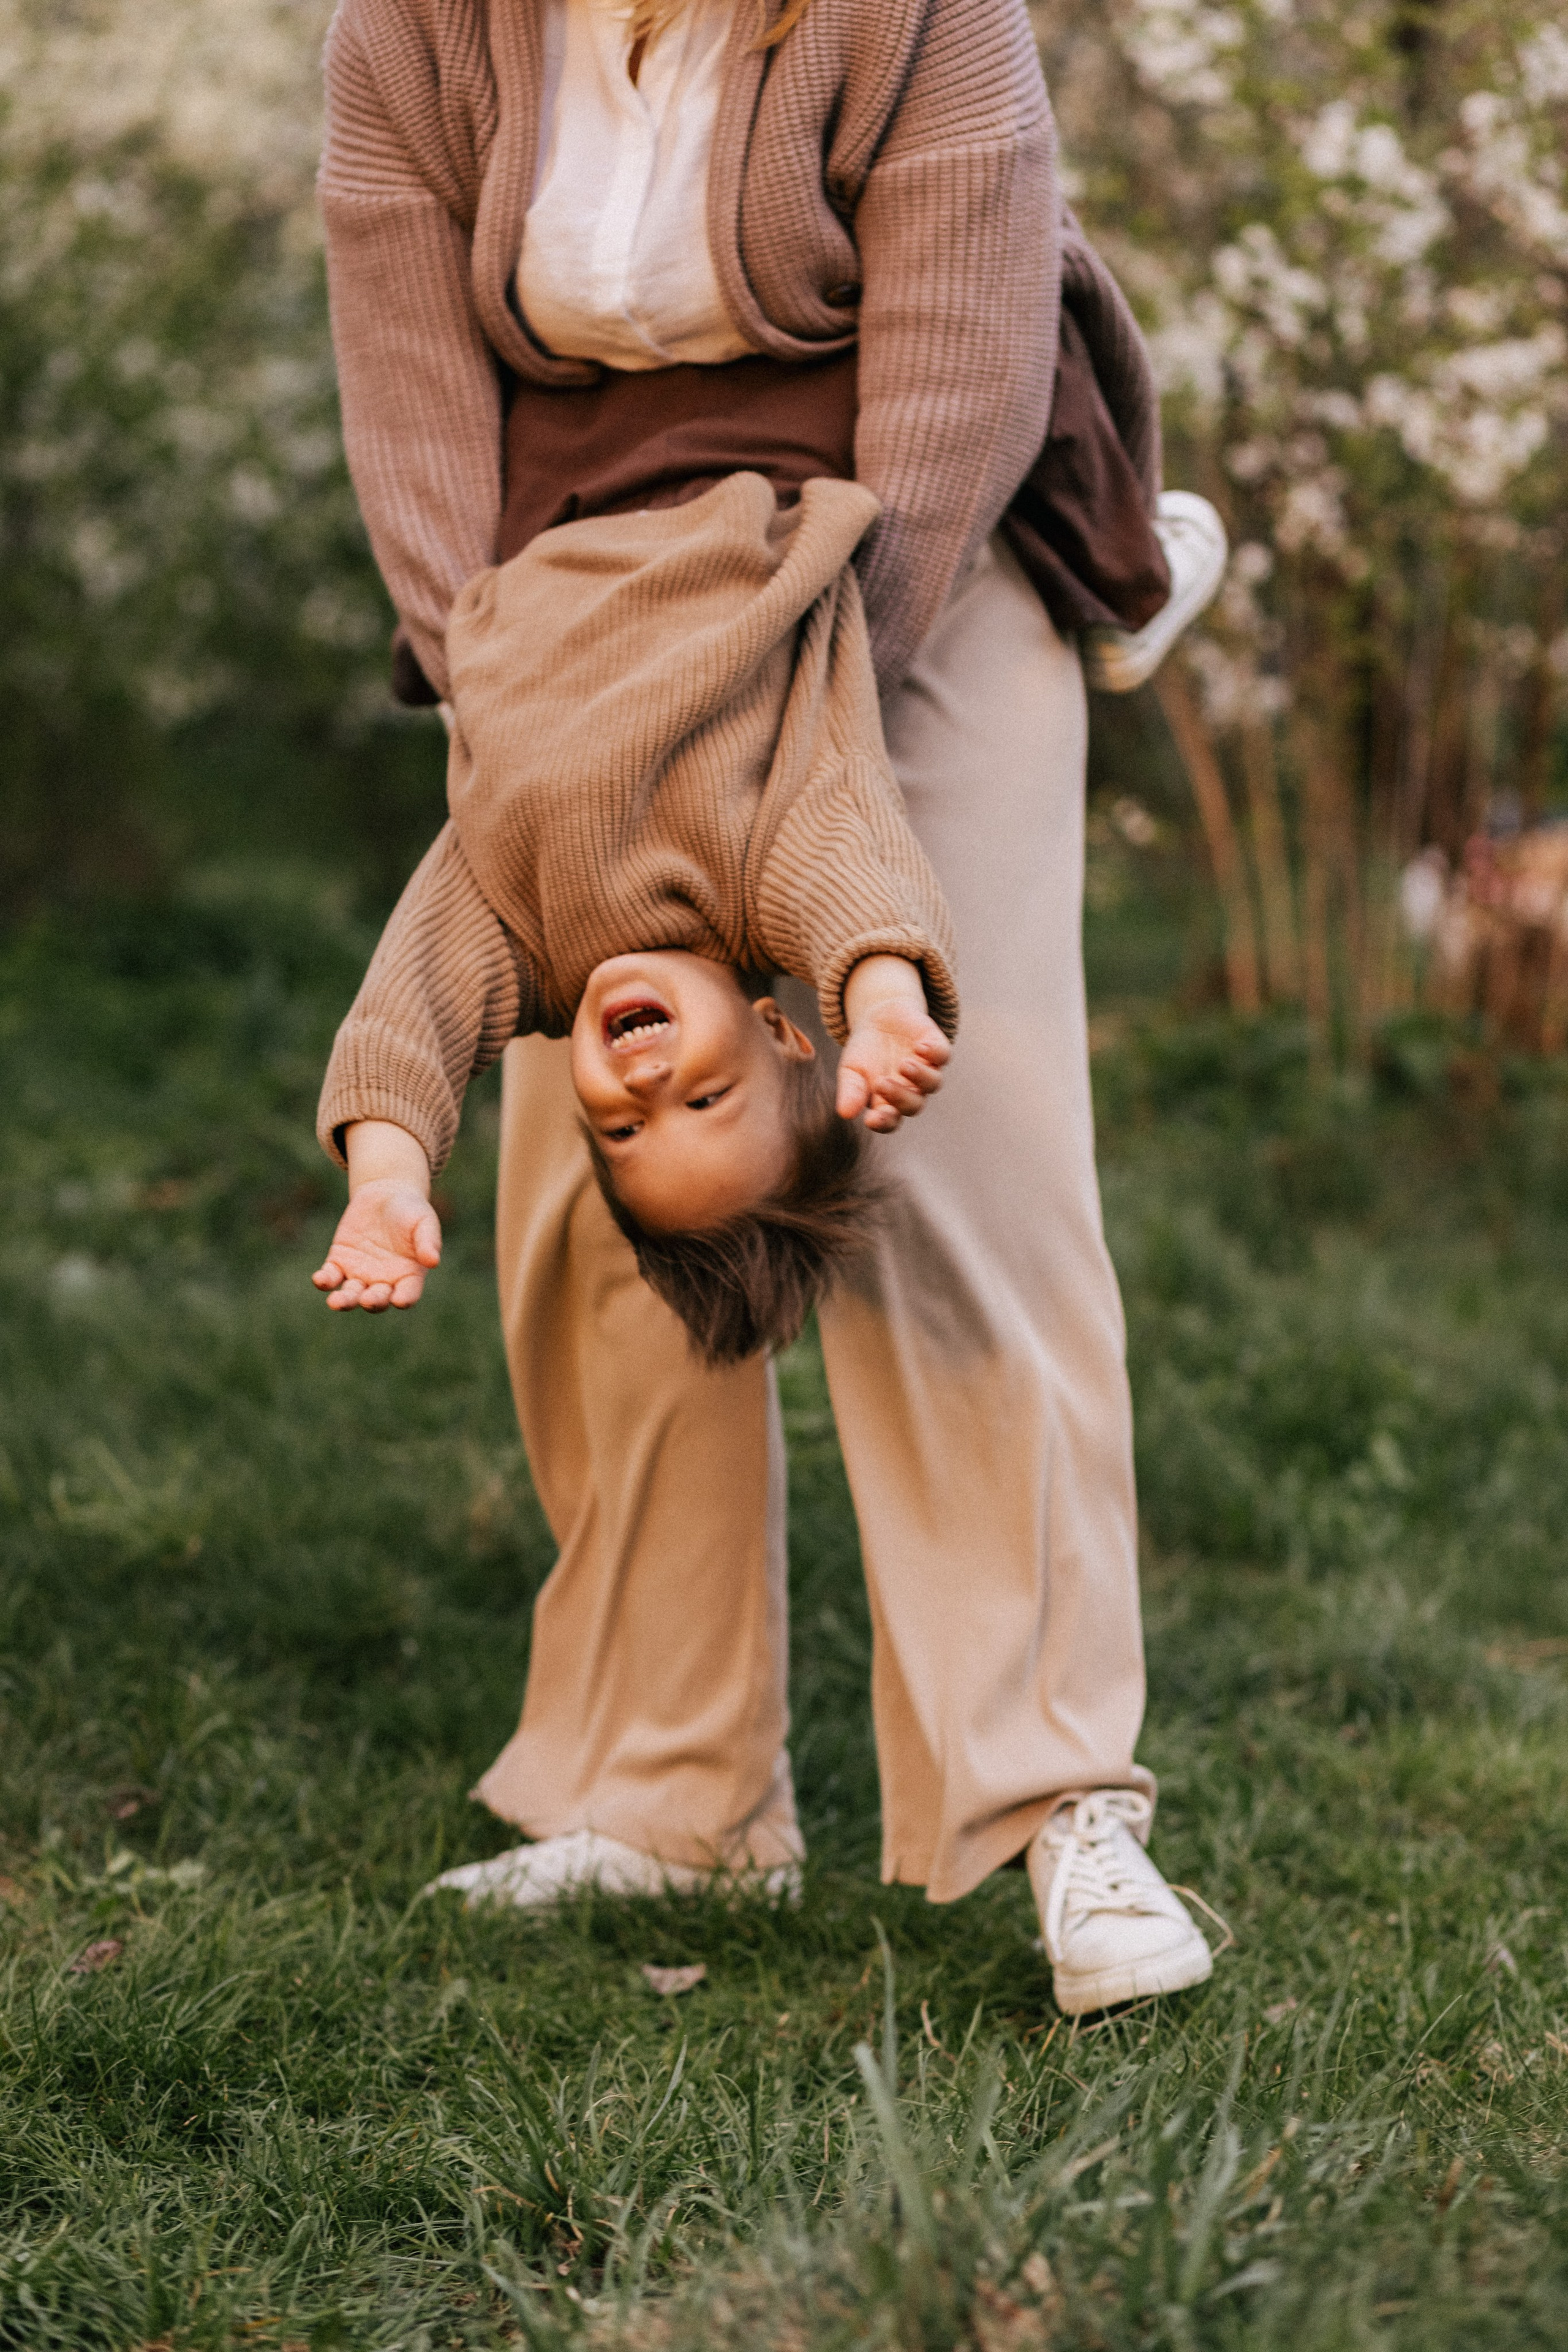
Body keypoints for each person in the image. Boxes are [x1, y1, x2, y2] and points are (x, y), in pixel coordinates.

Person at [317, 0, 1218, 2016]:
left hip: (899, 566)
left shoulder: (920, 19)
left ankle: (1059, 1796)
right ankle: (669, 1796)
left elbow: (960, 378)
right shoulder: (411, 32)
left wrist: (779, 752)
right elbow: (407, 396)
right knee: (595, 1186)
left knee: (951, 1148)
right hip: (580, 613)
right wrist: (521, 728)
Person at [312, 471, 957, 1359]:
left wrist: (388, 1176)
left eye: (623, 1131)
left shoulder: (523, 938)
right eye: (707, 1097)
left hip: (544, 525)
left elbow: (410, 1017)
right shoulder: (755, 880)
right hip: (729, 500)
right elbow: (852, 873)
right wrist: (886, 1006)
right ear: (782, 1030)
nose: (649, 1089)